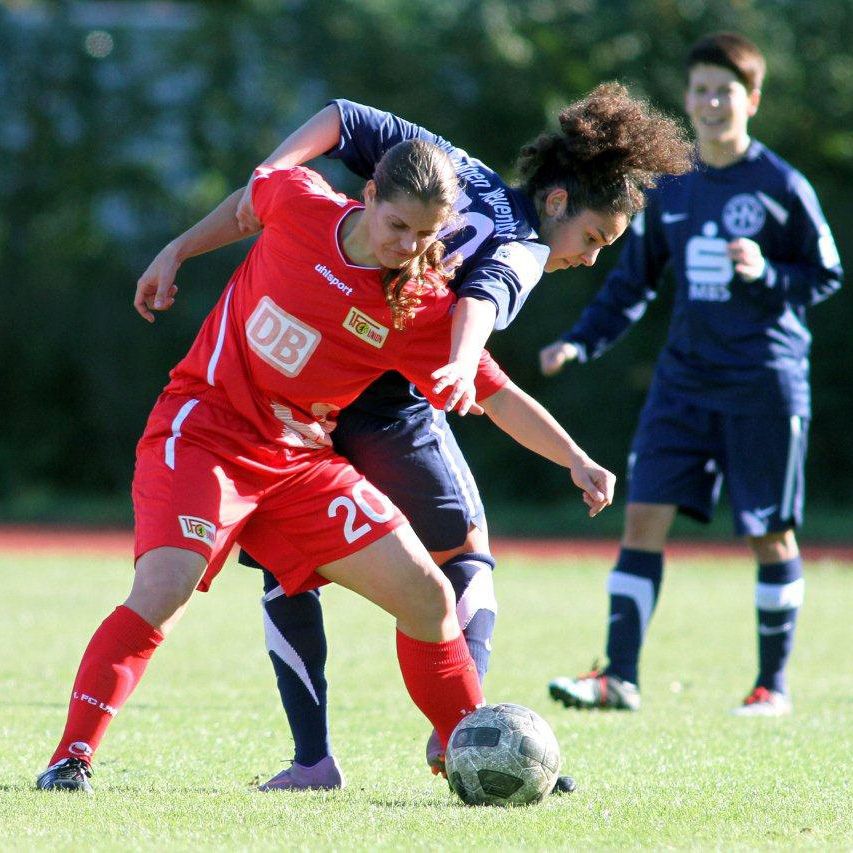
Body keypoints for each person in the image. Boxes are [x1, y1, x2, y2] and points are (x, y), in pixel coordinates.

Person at [135, 83, 693, 789]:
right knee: (464, 554)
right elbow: (486, 300)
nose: (587, 257)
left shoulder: (456, 171)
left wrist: (263, 177)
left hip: (302, 406)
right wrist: (461, 360)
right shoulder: (523, 242)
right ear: (555, 201)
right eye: (593, 238)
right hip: (387, 405)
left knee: (286, 569)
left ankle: (313, 760)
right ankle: (466, 732)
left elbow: (341, 118)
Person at [37, 140, 616, 793]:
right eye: (397, 225)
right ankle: (70, 758)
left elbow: (494, 389)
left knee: (426, 596)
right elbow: (245, 207)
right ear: (367, 197)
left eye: (426, 234)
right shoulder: (301, 202)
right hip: (203, 430)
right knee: (164, 586)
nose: (407, 245)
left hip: (298, 460)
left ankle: (469, 753)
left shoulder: (416, 301)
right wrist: (175, 250)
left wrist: (575, 457)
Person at [542, 33, 843, 716]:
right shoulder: (670, 191)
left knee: (768, 530)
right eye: (701, 89)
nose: (711, 102)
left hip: (762, 382)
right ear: (686, 99)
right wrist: (579, 342)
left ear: (751, 100)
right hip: (682, 383)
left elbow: (825, 274)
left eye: (725, 90)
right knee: (641, 514)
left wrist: (764, 273)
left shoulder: (780, 187)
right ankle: (617, 677)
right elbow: (630, 284)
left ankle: (772, 686)